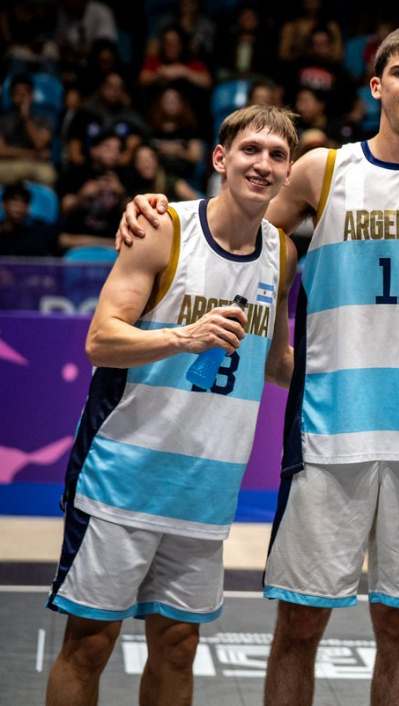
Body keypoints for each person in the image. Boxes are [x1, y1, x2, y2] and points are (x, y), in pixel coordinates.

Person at [117, 25, 399, 706]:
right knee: (298, 623)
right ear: (375, 84)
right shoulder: (325, 168)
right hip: (328, 434)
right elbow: (241, 213)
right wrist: (158, 210)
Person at [44, 104, 299, 706]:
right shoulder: (164, 228)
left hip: (205, 488)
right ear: (220, 159)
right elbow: (100, 340)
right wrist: (183, 336)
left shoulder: (282, 253)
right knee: (89, 642)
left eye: (276, 155)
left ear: (289, 174)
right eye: (250, 150)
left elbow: (276, 359)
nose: (262, 164)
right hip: (122, 478)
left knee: (180, 642)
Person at [0, 73, 57, 186]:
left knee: (48, 175)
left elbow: (40, 144)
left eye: (25, 93)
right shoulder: (2, 118)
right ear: (11, 95)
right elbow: (1, 150)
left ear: (32, 95)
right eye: (17, 93)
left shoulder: (45, 118)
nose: (21, 97)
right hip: (9, 164)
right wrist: (31, 154)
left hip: (35, 165)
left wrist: (26, 118)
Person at [0, 180, 59, 256]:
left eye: (24, 202)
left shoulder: (40, 230)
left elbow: (61, 240)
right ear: (4, 204)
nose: (19, 205)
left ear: (28, 207)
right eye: (14, 200)